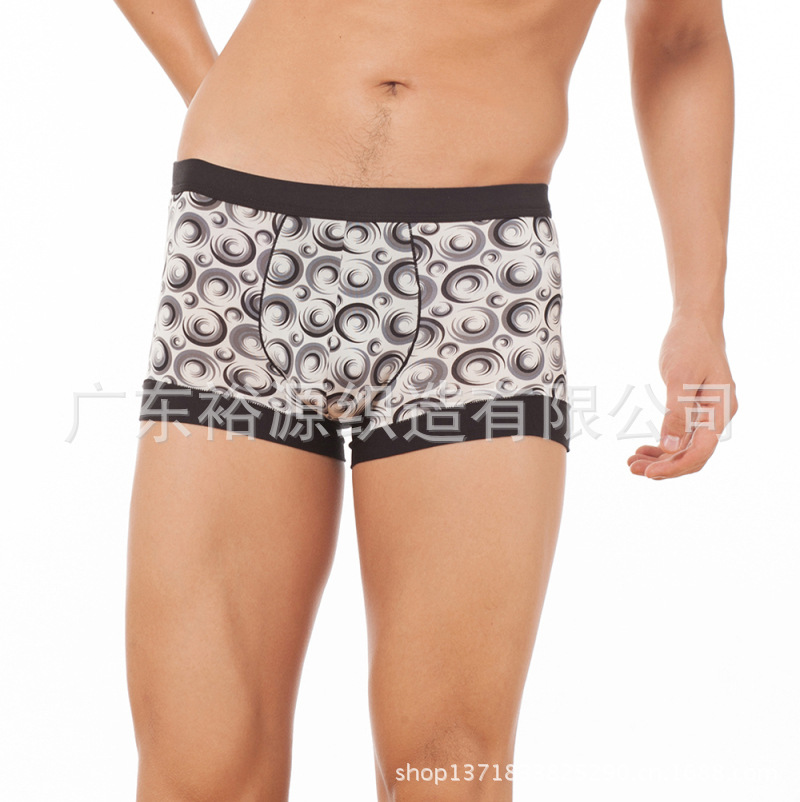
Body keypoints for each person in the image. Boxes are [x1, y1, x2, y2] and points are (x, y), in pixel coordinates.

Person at [114, 0, 738, 799]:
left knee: (448, 766)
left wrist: (698, 312)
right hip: (241, 238)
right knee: (202, 761)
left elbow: (682, 37)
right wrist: (212, 90)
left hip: (477, 274)